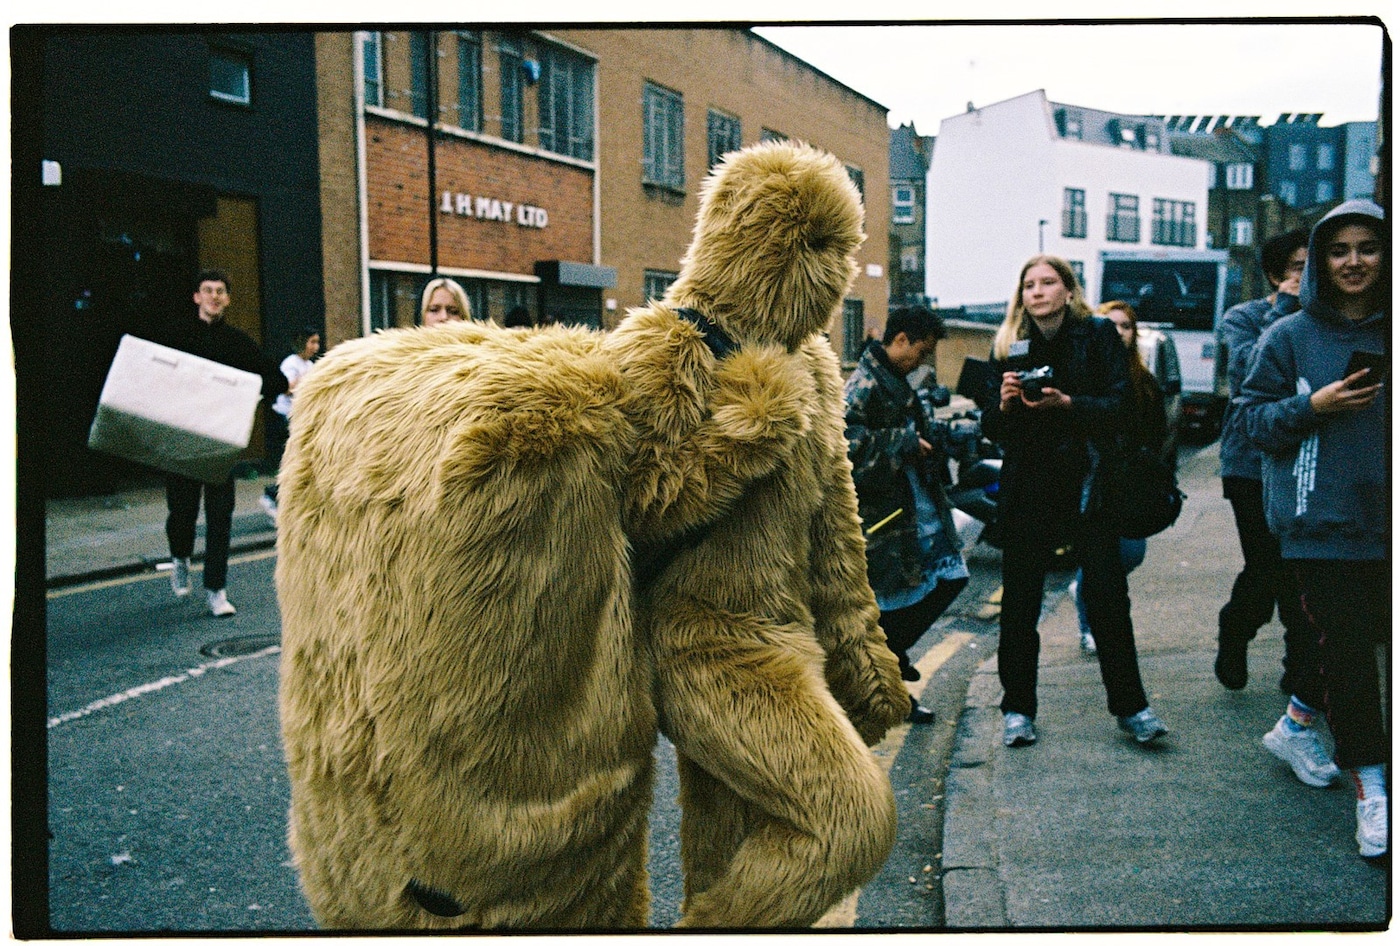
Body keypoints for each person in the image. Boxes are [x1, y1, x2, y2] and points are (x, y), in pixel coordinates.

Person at [1240, 199, 1387, 858]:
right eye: (1339, 250)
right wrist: (1312, 404)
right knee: (1353, 657)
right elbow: (1248, 424)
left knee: (1360, 642)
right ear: (1322, 261)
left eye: (1368, 247)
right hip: (1319, 524)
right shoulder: (1289, 336)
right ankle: (1374, 789)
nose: (1353, 261)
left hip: (1387, 521)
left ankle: (1297, 721)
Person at [976, 255, 1168, 748]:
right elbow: (993, 431)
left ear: (1067, 290)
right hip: (1029, 486)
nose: (1037, 292)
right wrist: (1002, 407)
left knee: (1107, 599)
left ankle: (1133, 708)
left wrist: (1069, 404)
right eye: (1029, 285)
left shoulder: (1098, 335)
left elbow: (1122, 406)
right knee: (1020, 604)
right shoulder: (1008, 345)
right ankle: (1017, 709)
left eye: (1048, 283)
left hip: (1088, 485)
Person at [845, 306, 970, 725]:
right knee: (890, 606)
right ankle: (887, 684)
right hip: (887, 519)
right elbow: (845, 445)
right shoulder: (863, 382)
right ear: (900, 340)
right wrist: (904, 443)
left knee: (949, 579)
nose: (923, 361)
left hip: (917, 509)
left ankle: (891, 671)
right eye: (921, 351)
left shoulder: (896, 379)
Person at [1214, 228, 1315, 696]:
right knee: (1267, 567)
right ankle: (1235, 630)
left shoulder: (1325, 319)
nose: (1310, 273)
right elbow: (1245, 375)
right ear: (1276, 275)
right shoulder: (1244, 317)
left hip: (1307, 460)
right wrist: (1284, 308)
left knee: (1302, 573)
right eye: (1299, 266)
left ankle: (1299, 672)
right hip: (1250, 465)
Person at [159, 270, 289, 617]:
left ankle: (216, 590)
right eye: (207, 290)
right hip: (183, 441)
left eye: (220, 292)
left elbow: (275, 380)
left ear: (228, 299)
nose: (214, 296)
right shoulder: (177, 335)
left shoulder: (238, 342)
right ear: (196, 297)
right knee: (182, 513)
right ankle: (181, 557)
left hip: (221, 443)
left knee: (220, 518)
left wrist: (247, 393)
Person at [1066, 301, 1170, 657]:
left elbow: (1158, 434)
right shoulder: (1083, 376)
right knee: (1098, 563)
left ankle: (1084, 586)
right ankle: (1088, 625)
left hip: (1129, 482)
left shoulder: (1145, 382)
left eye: (1125, 326)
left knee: (1130, 554)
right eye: (1110, 325)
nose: (1117, 332)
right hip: (1091, 481)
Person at [260, 327, 321, 521]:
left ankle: (285, 505)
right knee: (291, 464)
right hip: (285, 418)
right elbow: (285, 389)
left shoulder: (310, 365)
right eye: (312, 342)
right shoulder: (291, 363)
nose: (315, 347)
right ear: (302, 342)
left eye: (317, 342)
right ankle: (271, 496)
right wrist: (304, 383)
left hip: (300, 420)